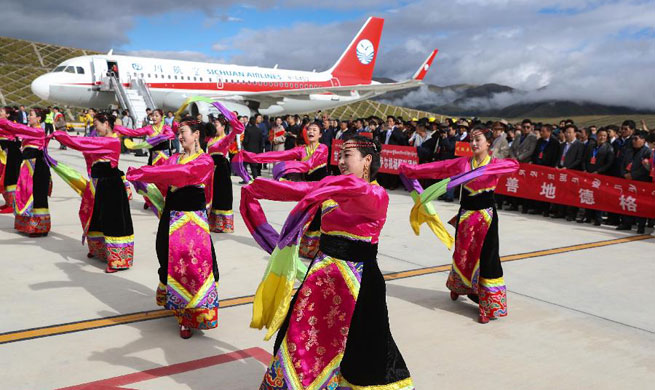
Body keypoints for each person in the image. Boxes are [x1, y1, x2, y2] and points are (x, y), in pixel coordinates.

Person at [241, 135, 414, 389]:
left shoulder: (376, 194)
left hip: (358, 284)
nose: (341, 161)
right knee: (303, 338)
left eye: (348, 155)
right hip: (320, 278)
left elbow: (353, 190)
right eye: (340, 155)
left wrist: (327, 186)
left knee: (361, 348)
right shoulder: (332, 187)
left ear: (367, 160)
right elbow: (303, 190)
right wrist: (259, 188)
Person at [398, 126, 519, 323]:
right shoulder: (463, 163)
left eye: (478, 140)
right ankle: (457, 286)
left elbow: (514, 165)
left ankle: (486, 304)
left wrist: (489, 168)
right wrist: (412, 170)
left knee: (487, 259)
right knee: (462, 255)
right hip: (466, 216)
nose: (473, 144)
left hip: (486, 218)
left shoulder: (495, 164)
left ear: (488, 143)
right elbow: (438, 168)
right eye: (472, 140)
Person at [126, 117, 219, 339]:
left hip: (192, 221)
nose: (179, 136)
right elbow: (161, 174)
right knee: (165, 258)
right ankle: (176, 304)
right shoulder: (174, 158)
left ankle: (190, 317)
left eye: (183, 131)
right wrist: (141, 176)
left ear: (196, 134)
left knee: (192, 266)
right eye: (178, 132)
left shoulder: (205, 161)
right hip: (171, 215)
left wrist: (145, 173)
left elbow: (183, 175)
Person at [48, 113, 134, 273]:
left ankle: (119, 260)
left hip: (110, 183)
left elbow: (83, 143)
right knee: (94, 216)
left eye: (97, 125)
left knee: (112, 219)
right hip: (97, 183)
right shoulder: (102, 140)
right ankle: (99, 249)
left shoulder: (112, 140)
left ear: (106, 123)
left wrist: (61, 136)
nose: (95, 128)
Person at [236, 122, 328, 259]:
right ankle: (307, 248)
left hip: (321, 187)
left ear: (320, 134)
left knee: (320, 216)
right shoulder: (301, 150)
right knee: (307, 215)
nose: (311, 132)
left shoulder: (323, 148)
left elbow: (310, 164)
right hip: (307, 187)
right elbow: (278, 154)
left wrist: (285, 167)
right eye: (309, 130)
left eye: (315, 130)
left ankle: (320, 248)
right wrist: (253, 157)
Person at [0, 108, 52, 236]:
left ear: (39, 118)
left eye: (31, 115)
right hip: (28, 167)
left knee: (37, 196)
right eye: (28, 114)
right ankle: (27, 225)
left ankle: (40, 227)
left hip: (38, 168)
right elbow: (14, 130)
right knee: (26, 194)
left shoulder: (38, 131)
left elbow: (16, 128)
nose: (29, 117)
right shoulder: (31, 131)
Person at [206, 106, 245, 233]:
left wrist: (230, 117)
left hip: (222, 167)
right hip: (210, 168)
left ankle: (223, 224)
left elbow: (239, 129)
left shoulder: (227, 138)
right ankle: (213, 222)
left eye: (216, 124)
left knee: (223, 194)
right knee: (212, 193)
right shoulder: (210, 139)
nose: (214, 126)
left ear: (223, 126)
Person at [616, 130, 651, 234]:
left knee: (641, 204)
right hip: (627, 181)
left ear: (643, 140)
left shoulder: (647, 152)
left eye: (636, 139)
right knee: (627, 201)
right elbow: (622, 164)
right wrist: (624, 174)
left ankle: (641, 225)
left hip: (641, 182)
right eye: (633, 139)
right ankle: (626, 223)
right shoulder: (628, 150)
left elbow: (645, 168)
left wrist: (633, 175)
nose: (634, 141)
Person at [578, 128, 614, 225]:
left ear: (606, 138)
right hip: (588, 175)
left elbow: (609, 163)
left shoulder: (609, 148)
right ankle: (587, 217)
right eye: (600, 135)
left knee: (599, 197)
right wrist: (584, 169)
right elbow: (584, 159)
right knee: (588, 195)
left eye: (604, 136)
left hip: (600, 176)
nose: (602, 137)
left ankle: (598, 219)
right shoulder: (591, 146)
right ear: (596, 136)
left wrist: (598, 171)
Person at [551, 124, 585, 220]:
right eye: (566, 132)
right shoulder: (562, 145)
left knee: (571, 194)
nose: (567, 134)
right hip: (561, 171)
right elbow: (558, 157)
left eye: (570, 132)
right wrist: (557, 166)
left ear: (575, 133)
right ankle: (560, 212)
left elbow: (578, 160)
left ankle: (571, 214)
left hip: (572, 172)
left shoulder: (580, 145)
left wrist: (567, 168)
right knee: (561, 192)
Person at [0, 107, 22, 214]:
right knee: (4, 178)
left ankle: (12, 204)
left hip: (11, 155)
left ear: (7, 115)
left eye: (1, 112)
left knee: (10, 178)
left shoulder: (8, 124)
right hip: (4, 155)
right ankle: (8, 203)